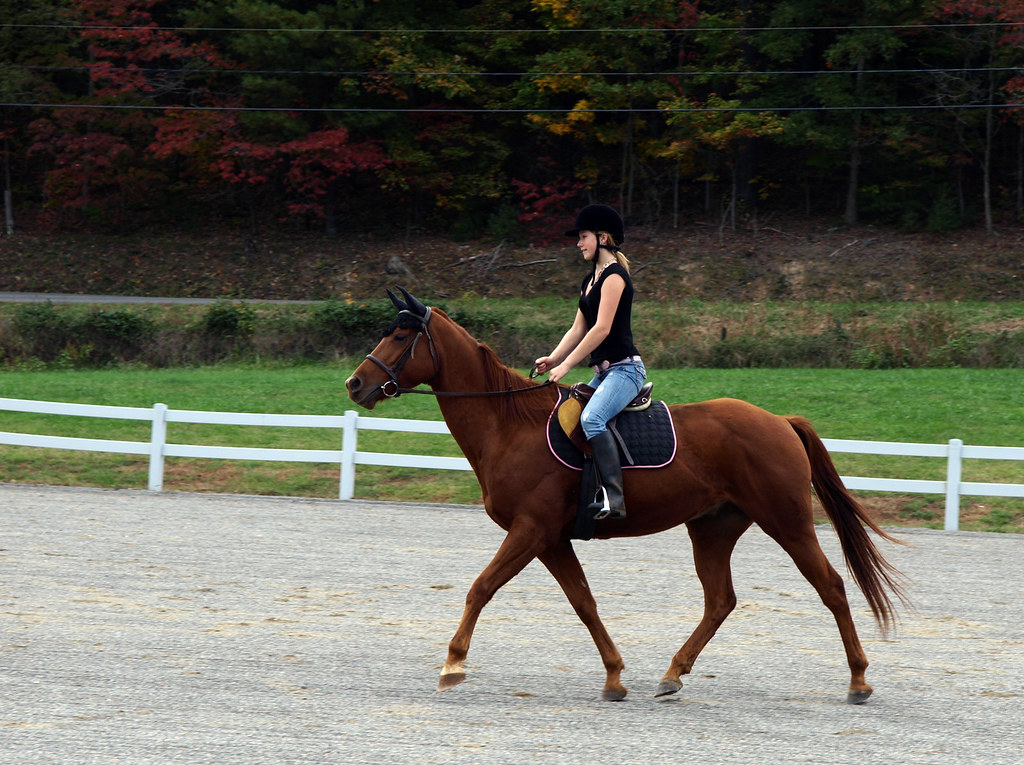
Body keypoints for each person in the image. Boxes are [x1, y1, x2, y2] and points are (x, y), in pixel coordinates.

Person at [534, 203, 646, 520]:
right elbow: (578, 327)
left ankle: (615, 498)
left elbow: (602, 328)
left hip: (625, 370)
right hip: (603, 374)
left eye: (583, 237)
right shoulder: (589, 281)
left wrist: (566, 367)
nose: (578, 243)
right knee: (568, 413)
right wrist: (553, 358)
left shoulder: (614, 277)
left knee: (592, 419)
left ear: (603, 238)